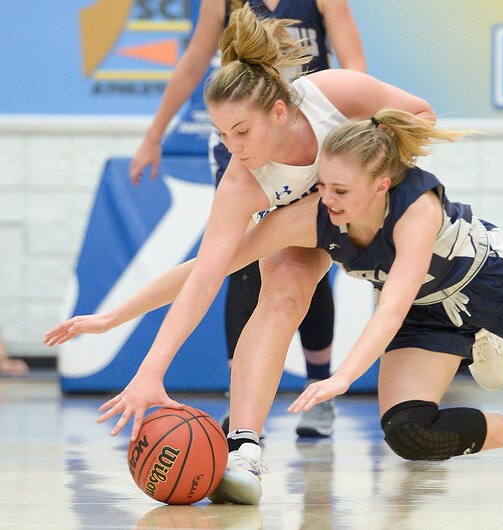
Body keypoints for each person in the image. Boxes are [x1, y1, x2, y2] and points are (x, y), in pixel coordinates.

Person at [44, 5, 503, 505]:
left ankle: (473, 321)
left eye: (241, 132)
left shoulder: (333, 95)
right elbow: (205, 275)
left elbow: (422, 114)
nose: (233, 147)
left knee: (415, 280)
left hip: (379, 198)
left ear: (280, 112)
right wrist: (142, 355)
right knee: (282, 292)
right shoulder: (242, 183)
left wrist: (361, 177)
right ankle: (244, 445)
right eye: (222, 136)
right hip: (310, 224)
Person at [128, 0, 367, 438]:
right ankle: (241, 403)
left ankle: (319, 388)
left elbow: (355, 65)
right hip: (252, 142)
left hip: (305, 136)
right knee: (238, 265)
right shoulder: (220, 3)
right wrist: (153, 134)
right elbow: (193, 61)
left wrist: (358, 142)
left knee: (306, 260)